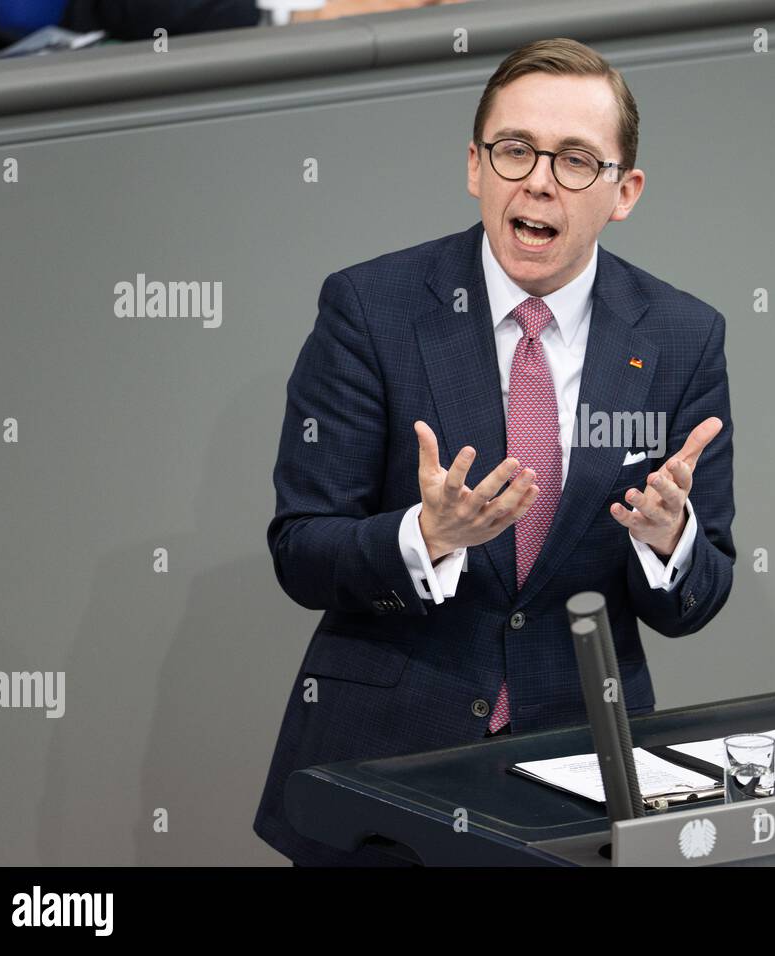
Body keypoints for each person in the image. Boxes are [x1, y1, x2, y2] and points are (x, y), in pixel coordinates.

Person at [253, 36, 736, 865]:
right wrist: (425, 538)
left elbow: (696, 596)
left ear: (626, 192)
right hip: (385, 776)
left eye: (578, 160)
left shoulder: (683, 337)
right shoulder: (371, 309)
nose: (539, 179)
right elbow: (301, 549)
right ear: (476, 165)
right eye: (515, 150)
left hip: (580, 785)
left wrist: (669, 542)